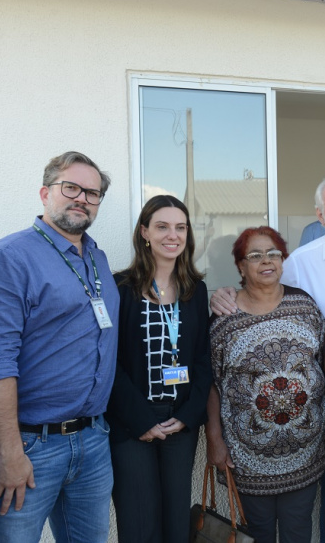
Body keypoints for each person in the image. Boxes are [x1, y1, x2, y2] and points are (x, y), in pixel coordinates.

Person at [211, 175, 325, 543]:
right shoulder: (298, 264)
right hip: (318, 395)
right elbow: (213, 379)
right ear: (319, 215)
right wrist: (220, 293)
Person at [0, 151, 118, 542]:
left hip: (93, 441)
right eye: (71, 187)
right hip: (30, 445)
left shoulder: (97, 258)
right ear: (45, 192)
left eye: (93, 192)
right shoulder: (9, 259)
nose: (82, 198)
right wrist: (9, 452)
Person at [206, 226, 325, 543]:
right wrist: (214, 437)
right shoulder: (225, 318)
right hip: (248, 459)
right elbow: (211, 382)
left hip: (304, 453)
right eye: (255, 255)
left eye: (273, 253)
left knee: (298, 530)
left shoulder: (303, 305)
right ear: (240, 266)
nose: (266, 261)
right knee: (257, 533)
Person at [106, 195, 211, 542]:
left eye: (180, 227)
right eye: (163, 226)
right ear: (144, 233)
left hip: (180, 421)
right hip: (132, 423)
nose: (173, 235)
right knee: (138, 524)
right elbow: (110, 362)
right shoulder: (119, 288)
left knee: (176, 524)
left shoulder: (195, 291)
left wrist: (187, 416)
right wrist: (141, 420)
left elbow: (202, 361)